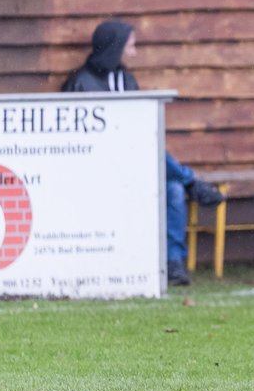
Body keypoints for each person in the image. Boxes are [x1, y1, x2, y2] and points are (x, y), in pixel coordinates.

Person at [61, 19, 225, 286]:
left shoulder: (126, 80)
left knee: (171, 188)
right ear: (115, 47)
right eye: (131, 46)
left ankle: (173, 263)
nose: (134, 53)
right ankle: (191, 182)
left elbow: (138, 131)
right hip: (97, 167)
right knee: (161, 165)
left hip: (129, 162)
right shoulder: (81, 83)